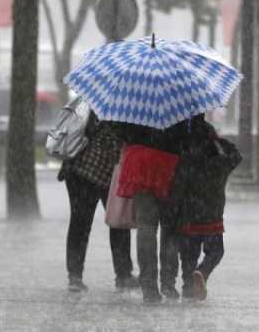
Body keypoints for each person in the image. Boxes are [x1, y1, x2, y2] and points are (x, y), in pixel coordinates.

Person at [113, 118, 195, 303]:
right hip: (171, 161)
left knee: (146, 227)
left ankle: (149, 286)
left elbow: (121, 130)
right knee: (171, 228)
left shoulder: (133, 95)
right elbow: (190, 135)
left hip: (140, 160)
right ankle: (167, 282)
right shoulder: (181, 97)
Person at [58, 113, 139, 292]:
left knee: (84, 223)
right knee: (109, 223)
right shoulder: (122, 111)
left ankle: (77, 276)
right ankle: (120, 275)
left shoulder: (100, 102)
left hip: (87, 171)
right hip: (90, 171)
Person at [169, 119, 242, 300]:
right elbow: (237, 156)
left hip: (189, 214)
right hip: (212, 214)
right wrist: (217, 140)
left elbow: (177, 184)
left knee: (188, 255)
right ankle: (203, 271)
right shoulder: (221, 162)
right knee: (216, 251)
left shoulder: (185, 158)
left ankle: (188, 287)